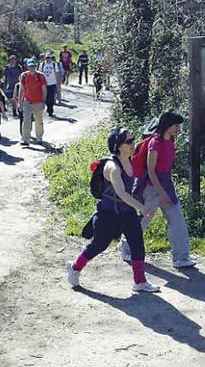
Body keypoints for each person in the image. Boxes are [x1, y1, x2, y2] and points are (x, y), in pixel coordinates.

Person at [66, 127, 160, 292]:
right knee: (99, 245)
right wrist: (142, 207)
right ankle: (74, 267)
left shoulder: (130, 160)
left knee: (137, 244)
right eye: (129, 141)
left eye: (133, 140)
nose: (133, 144)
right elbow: (122, 193)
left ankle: (139, 282)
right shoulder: (112, 167)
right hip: (107, 214)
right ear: (118, 146)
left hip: (126, 212)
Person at [119, 111, 196, 268]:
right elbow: (151, 171)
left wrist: (167, 190)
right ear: (167, 126)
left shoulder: (170, 140)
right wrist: (162, 194)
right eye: (176, 126)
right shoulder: (155, 143)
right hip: (151, 188)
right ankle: (125, 247)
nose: (178, 129)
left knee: (177, 220)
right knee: (143, 219)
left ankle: (181, 258)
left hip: (167, 185)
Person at [16, 58, 47, 145]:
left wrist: (43, 101)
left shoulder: (41, 76)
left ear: (35, 66)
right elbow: (21, 89)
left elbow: (44, 89)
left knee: (38, 120)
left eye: (33, 66)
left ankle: (39, 138)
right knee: (26, 121)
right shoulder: (24, 76)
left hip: (38, 102)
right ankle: (25, 139)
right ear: (27, 67)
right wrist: (19, 102)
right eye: (30, 66)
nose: (32, 68)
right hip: (27, 102)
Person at [40, 52, 62, 117]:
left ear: (51, 58)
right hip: (44, 84)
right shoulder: (42, 64)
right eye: (46, 58)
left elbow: (57, 73)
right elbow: (40, 73)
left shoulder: (54, 65)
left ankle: (50, 110)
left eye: (49, 58)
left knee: (51, 98)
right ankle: (48, 106)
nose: (48, 59)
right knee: (46, 98)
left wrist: (58, 83)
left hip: (52, 83)